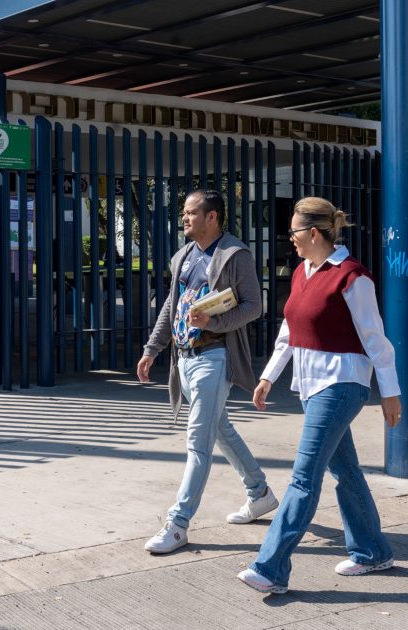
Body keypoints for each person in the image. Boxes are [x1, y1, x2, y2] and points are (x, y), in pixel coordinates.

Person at [237, 197, 402, 595]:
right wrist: (268, 376)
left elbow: (376, 339)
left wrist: (390, 393)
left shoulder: (352, 277)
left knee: (303, 478)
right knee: (345, 472)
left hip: (342, 384)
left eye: (293, 232)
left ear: (313, 233)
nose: (289, 239)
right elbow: (289, 330)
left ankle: (271, 568)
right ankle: (372, 551)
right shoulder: (302, 272)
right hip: (310, 386)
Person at [137, 189, 278, 554]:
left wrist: (216, 319)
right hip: (183, 358)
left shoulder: (235, 255)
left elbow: (253, 307)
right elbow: (172, 304)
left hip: (214, 357)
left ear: (212, 216)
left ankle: (178, 523)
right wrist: (153, 348)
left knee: (197, 441)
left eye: (191, 212)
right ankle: (259, 493)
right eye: (184, 212)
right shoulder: (182, 256)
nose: (184, 218)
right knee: (219, 429)